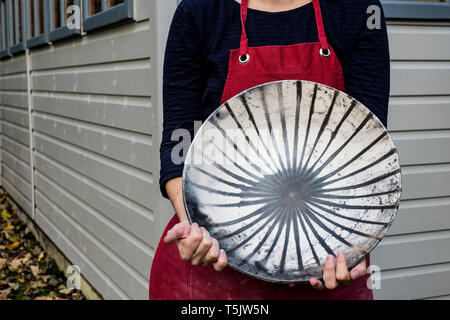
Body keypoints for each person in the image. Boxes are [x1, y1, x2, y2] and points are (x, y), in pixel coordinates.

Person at [150, 0, 390, 300]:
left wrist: (347, 248)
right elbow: (179, 140)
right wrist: (192, 225)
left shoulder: (358, 9)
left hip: (327, 258)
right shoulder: (199, 10)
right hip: (214, 258)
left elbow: (367, 148)